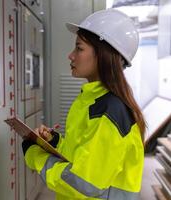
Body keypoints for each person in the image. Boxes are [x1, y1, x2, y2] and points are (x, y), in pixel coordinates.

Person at [22, 9, 145, 200]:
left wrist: (35, 155)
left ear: (104, 55)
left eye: (79, 48)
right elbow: (83, 157)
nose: (70, 56)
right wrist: (55, 143)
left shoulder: (109, 113)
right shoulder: (92, 101)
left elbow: (84, 184)